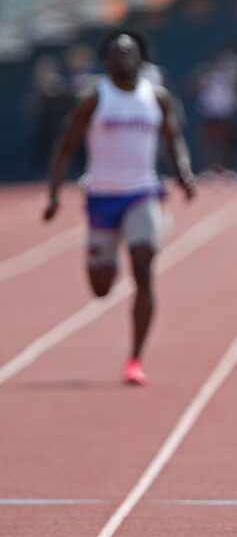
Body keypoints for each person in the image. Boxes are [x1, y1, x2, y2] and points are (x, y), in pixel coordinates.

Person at [43, 31, 196, 386]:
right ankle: (101, 259)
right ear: (105, 60)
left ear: (140, 58)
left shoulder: (156, 97)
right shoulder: (94, 98)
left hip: (142, 192)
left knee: (143, 265)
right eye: (114, 54)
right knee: (100, 287)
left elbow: (173, 138)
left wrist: (183, 174)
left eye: (128, 53)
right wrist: (53, 194)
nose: (121, 59)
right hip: (101, 196)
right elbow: (65, 146)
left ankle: (135, 359)